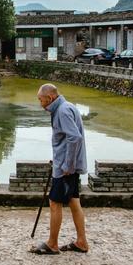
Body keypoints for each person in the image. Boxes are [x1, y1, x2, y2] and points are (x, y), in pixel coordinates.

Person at [31, 83, 89, 255]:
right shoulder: (67, 107)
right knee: (73, 201)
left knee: (55, 202)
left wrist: (67, 165)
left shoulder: (62, 111)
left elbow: (74, 138)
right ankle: (81, 242)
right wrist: (59, 158)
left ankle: (52, 244)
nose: (40, 104)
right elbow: (66, 139)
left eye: (41, 100)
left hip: (66, 170)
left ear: (50, 98)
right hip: (65, 165)